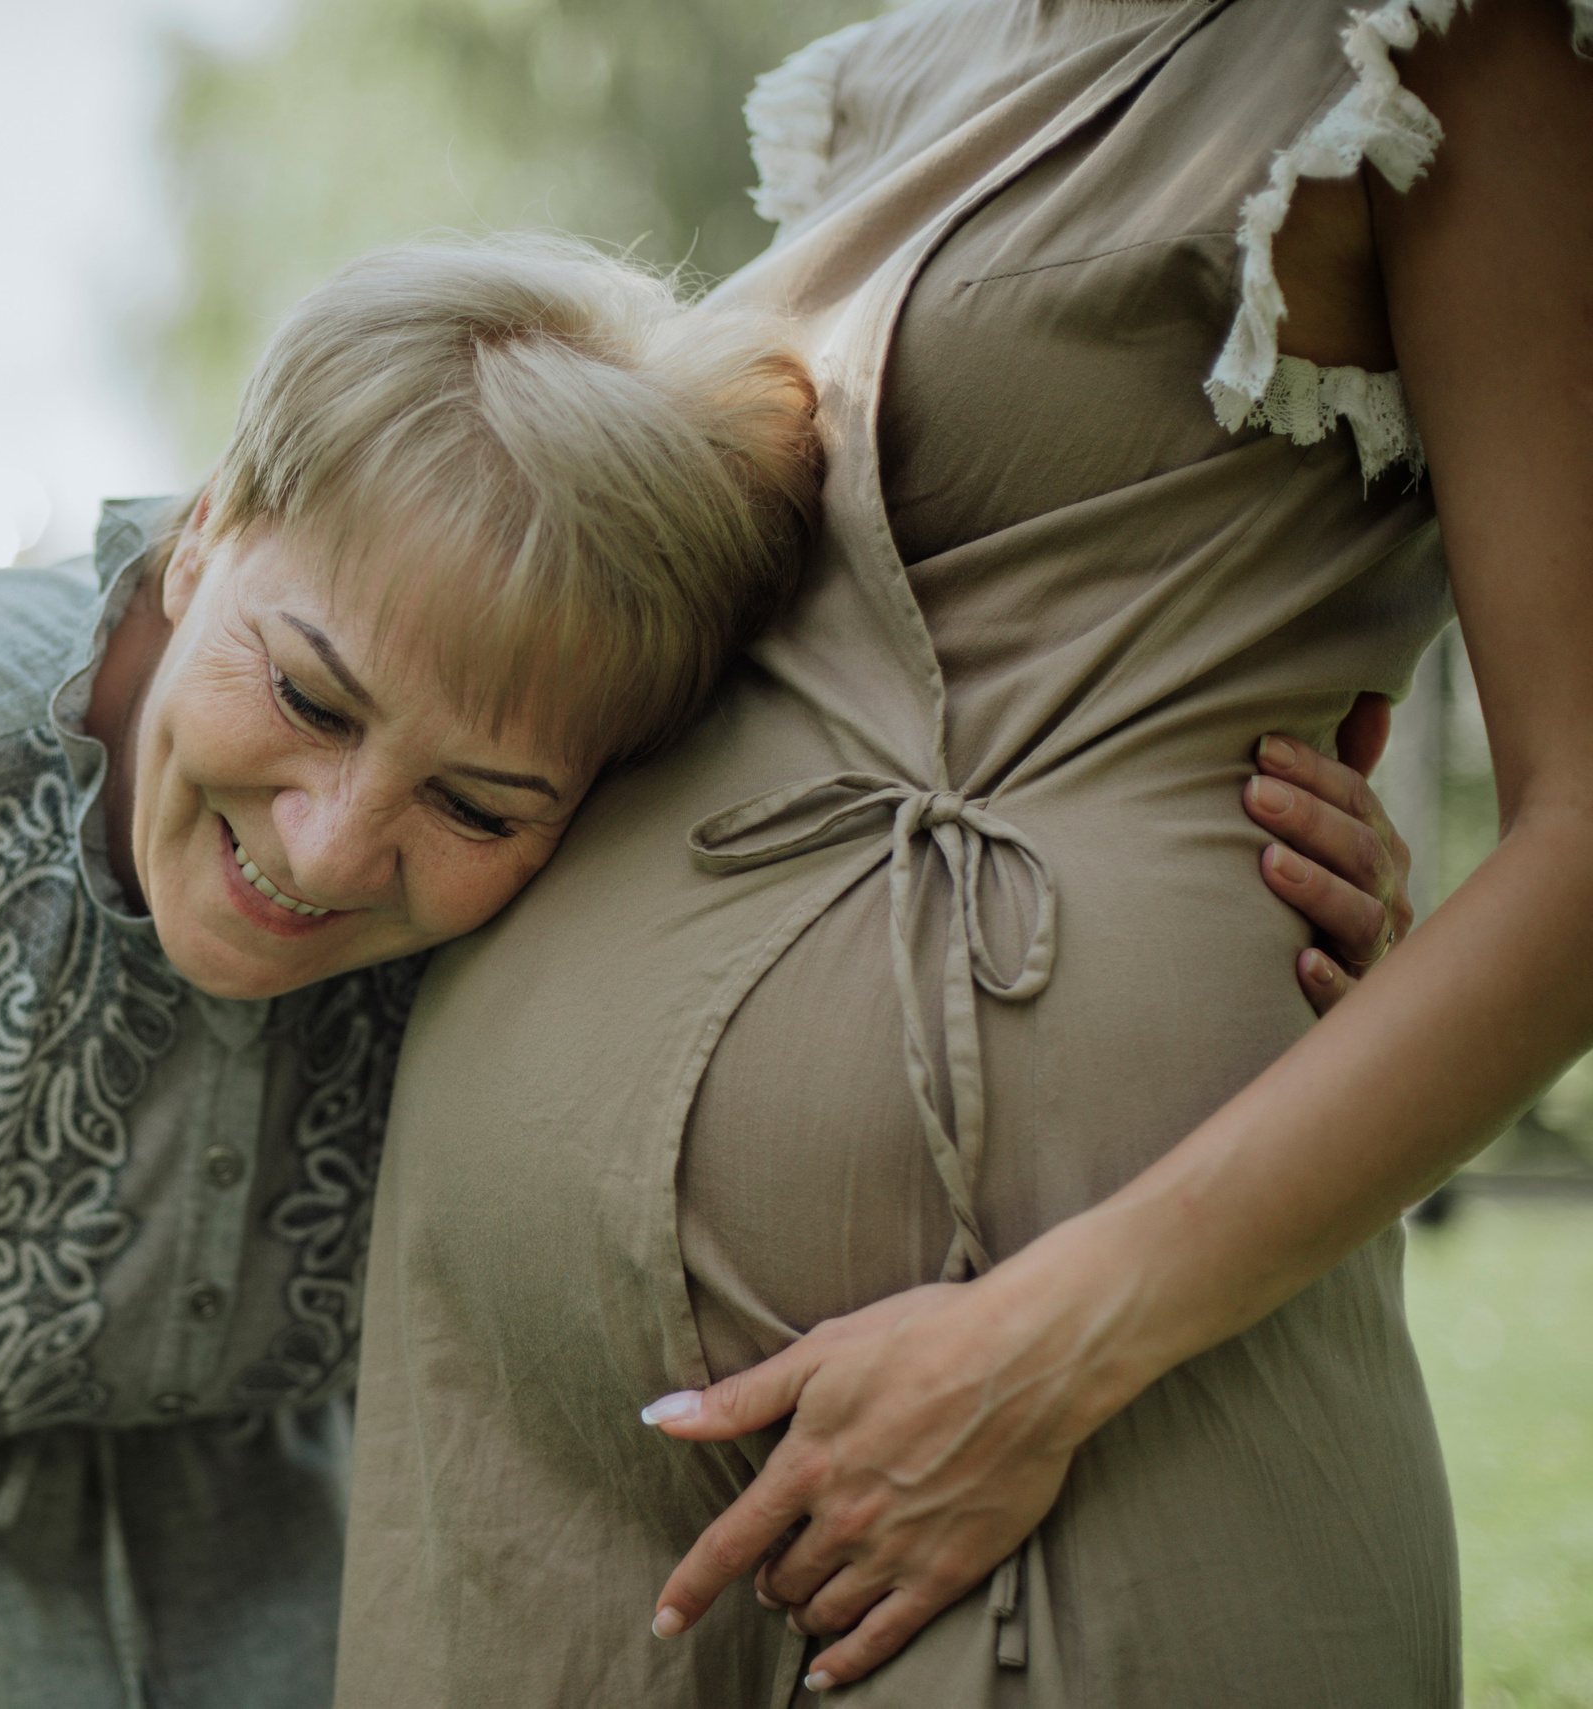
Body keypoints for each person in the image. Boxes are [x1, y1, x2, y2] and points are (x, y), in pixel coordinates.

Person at [0, 244, 1389, 1709]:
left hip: (242, 1621)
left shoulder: (577, 859)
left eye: (475, 800)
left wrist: (1228, 914)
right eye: (307, 689)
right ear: (204, 535)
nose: (331, 848)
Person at [333, 1, 1593, 1705]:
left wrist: (1038, 1353)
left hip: (1055, 1422)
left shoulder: (1435, 39)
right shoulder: (895, 73)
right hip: (547, 1497)